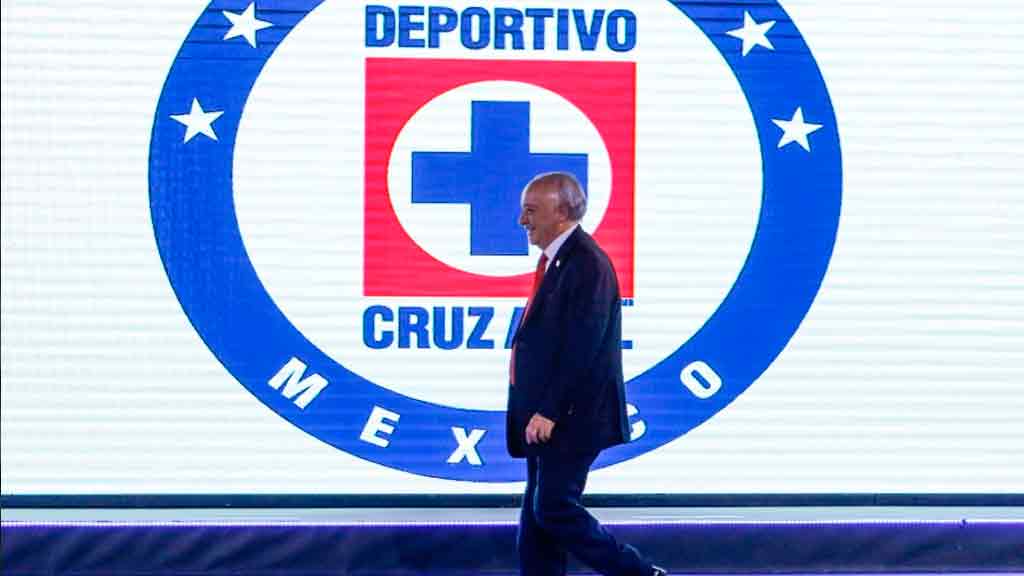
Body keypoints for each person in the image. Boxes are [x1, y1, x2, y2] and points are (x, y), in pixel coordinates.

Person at [506, 172, 666, 576]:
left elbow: (583, 346)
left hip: (571, 417)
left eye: (531, 211)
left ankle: (640, 574)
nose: (523, 221)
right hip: (549, 418)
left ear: (561, 212)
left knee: (553, 507)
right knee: (538, 514)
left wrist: (550, 409)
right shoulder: (561, 261)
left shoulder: (587, 264)